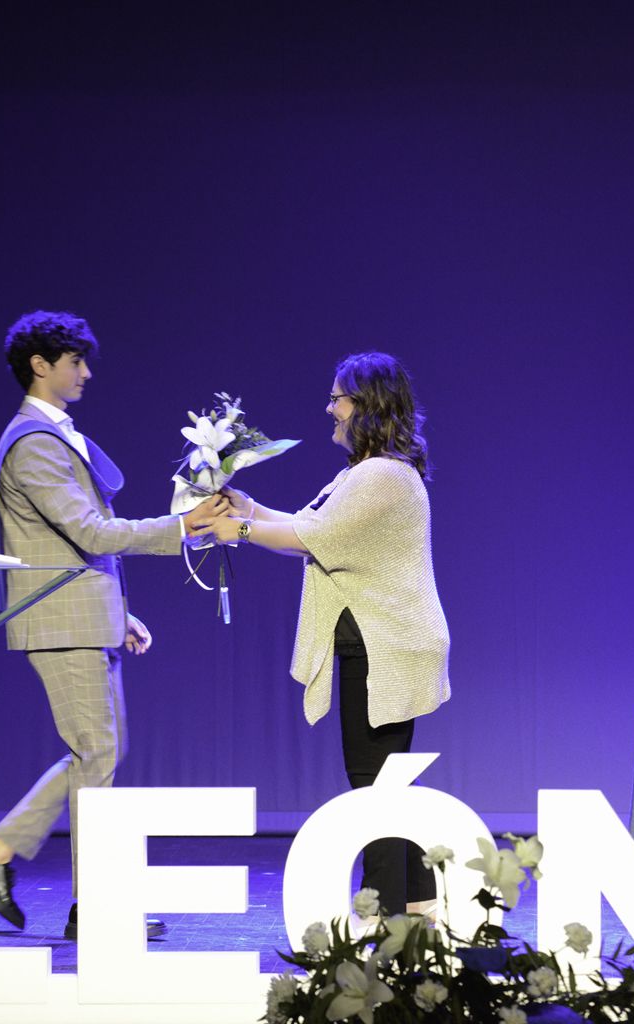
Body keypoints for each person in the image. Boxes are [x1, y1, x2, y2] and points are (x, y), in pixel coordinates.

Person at [0, 310, 225, 940]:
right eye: (74, 361)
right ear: (40, 365)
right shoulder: (32, 443)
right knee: (97, 752)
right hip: (60, 621)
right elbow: (87, 531)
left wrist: (118, 610)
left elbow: (75, 545)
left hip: (82, 613)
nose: (85, 372)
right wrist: (181, 526)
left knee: (100, 752)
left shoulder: (55, 435)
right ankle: (93, 906)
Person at [193, 351, 449, 917]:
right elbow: (313, 525)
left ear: (367, 405)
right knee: (383, 780)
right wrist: (251, 510)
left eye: (338, 397)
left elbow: (313, 537)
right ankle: (421, 903)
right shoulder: (367, 472)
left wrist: (239, 528)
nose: (330, 408)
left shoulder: (381, 474)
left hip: (386, 646)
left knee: (374, 785)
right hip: (379, 642)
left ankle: (384, 915)